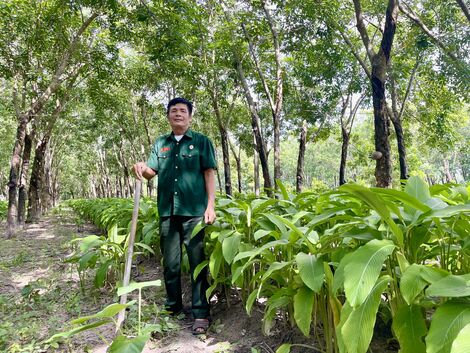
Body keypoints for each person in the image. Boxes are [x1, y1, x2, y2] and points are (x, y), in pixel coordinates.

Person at [133, 97, 217, 335]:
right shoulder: (161, 144)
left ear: (190, 116)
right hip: (168, 213)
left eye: (182, 111)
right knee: (170, 265)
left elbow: (209, 173)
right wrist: (140, 167)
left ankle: (201, 313)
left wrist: (211, 205)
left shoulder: (202, 142)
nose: (178, 114)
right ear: (168, 116)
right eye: (173, 111)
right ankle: (173, 308)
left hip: (194, 213)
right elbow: (151, 172)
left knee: (197, 263)